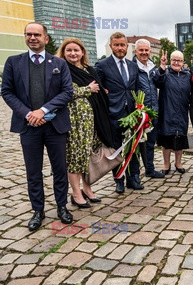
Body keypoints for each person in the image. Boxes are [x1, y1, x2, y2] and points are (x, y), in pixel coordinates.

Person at [1, 22, 73, 230]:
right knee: (33, 171)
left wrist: (43, 111)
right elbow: (7, 92)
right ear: (25, 37)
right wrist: (29, 114)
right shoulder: (14, 62)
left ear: (46, 38)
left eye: (37, 35)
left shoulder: (59, 63)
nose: (33, 38)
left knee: (59, 169)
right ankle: (37, 210)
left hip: (55, 126)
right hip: (28, 126)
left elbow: (67, 92)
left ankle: (62, 206)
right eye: (29, 34)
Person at [57, 37, 113, 208]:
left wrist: (102, 91)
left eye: (76, 50)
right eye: (69, 50)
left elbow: (99, 88)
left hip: (93, 120)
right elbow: (63, 93)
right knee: (76, 157)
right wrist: (88, 89)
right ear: (63, 53)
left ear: (82, 52)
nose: (73, 53)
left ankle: (87, 189)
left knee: (89, 156)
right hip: (76, 121)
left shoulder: (89, 69)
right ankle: (75, 193)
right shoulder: (60, 69)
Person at [95, 32, 142, 194]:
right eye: (117, 45)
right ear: (111, 46)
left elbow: (136, 88)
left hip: (132, 114)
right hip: (113, 114)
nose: (120, 48)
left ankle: (134, 178)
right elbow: (98, 89)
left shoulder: (133, 65)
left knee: (134, 147)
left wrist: (139, 107)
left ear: (127, 46)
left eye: (123, 45)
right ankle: (119, 179)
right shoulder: (101, 65)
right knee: (116, 148)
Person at [154, 50, 191, 174]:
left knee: (180, 137)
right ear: (170, 60)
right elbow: (157, 81)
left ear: (183, 62)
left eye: (179, 60)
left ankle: (178, 163)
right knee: (166, 139)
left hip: (182, 111)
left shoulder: (187, 75)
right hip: (167, 111)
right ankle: (166, 164)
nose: (176, 62)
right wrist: (162, 67)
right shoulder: (165, 73)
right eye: (174, 60)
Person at [133, 39, 165, 178]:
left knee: (150, 142)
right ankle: (133, 174)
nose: (144, 53)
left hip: (153, 111)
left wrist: (162, 68)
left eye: (146, 50)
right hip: (138, 112)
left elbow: (159, 83)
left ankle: (150, 170)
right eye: (141, 50)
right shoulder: (132, 67)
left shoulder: (152, 67)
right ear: (136, 51)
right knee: (135, 145)